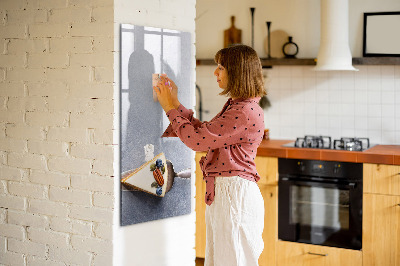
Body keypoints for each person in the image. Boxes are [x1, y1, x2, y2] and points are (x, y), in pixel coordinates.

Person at [153, 44, 266, 266]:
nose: (215, 72)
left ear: (237, 71)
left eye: (221, 67)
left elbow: (197, 141)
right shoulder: (239, 106)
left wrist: (169, 108)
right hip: (228, 194)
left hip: (234, 196)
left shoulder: (243, 111)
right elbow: (205, 133)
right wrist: (175, 103)